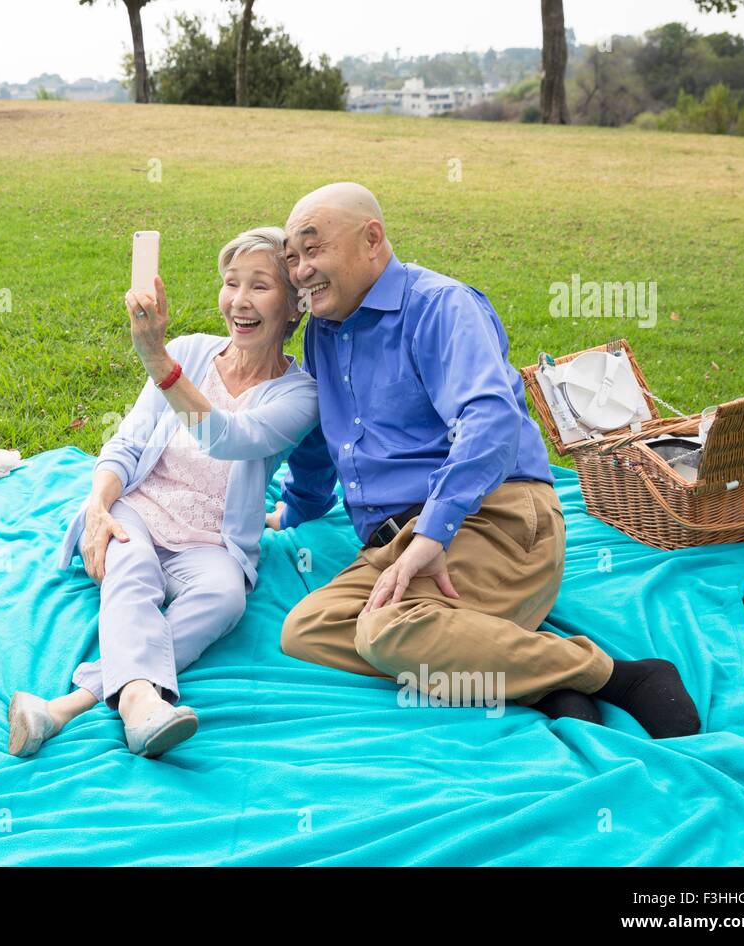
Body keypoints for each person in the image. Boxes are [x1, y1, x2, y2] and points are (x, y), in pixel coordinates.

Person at [270, 182, 701, 739]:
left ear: (371, 240)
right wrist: (294, 508)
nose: (301, 270)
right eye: (292, 258)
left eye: (313, 249)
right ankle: (538, 676)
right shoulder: (324, 334)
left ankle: (619, 677)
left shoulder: (440, 307)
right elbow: (320, 435)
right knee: (306, 628)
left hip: (492, 516)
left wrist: (433, 532)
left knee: (383, 633)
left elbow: (490, 421)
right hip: (393, 541)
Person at [8, 226, 320, 759]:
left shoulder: (300, 394)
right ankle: (139, 705)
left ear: (294, 307)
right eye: (231, 283)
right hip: (142, 511)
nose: (239, 301)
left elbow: (228, 437)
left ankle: (70, 706)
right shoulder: (191, 352)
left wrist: (155, 359)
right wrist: (99, 508)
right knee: (129, 570)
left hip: (211, 543)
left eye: (260, 287)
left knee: (224, 599)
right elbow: (125, 446)